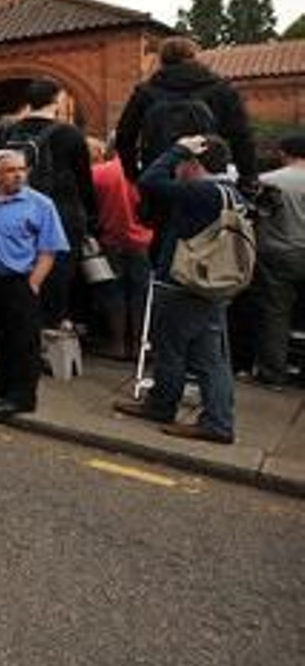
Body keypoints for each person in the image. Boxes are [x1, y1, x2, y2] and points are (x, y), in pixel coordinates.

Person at [112, 136, 241, 443]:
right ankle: (213, 418)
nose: (178, 169)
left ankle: (177, 411)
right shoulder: (232, 193)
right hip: (215, 282)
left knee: (171, 348)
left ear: (194, 164)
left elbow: (149, 180)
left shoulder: (202, 192)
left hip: (185, 281)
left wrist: (177, 150)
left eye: (183, 163)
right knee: (210, 355)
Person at [0, 149, 69, 416]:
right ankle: (1, 384)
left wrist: (34, 282)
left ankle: (22, 396)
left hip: (18, 281)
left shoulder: (40, 204)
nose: (19, 174)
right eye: (11, 170)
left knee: (22, 341)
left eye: (22, 169)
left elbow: (49, 249)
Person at [0, 78, 97, 330]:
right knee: (56, 278)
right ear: (57, 100)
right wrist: (91, 220)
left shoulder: (5, 132)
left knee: (15, 273)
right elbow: (84, 182)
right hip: (60, 216)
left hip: (12, 213)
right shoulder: (70, 134)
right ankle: (49, 333)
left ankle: (17, 328)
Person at [115, 36, 257, 187]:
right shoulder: (221, 89)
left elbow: (124, 136)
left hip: (160, 179)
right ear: (194, 57)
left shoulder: (145, 92)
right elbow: (241, 136)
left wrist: (134, 175)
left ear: (162, 60)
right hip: (210, 179)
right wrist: (248, 177)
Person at [88, 137, 153, 362]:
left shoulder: (98, 173)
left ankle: (117, 344)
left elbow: (90, 206)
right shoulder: (147, 174)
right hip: (143, 243)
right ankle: (137, 345)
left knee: (112, 292)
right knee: (140, 295)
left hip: (111, 240)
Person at [250, 132, 305, 386]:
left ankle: (273, 373)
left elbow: (257, 215)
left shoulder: (269, 181)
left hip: (277, 252)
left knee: (275, 313)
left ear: (284, 153)